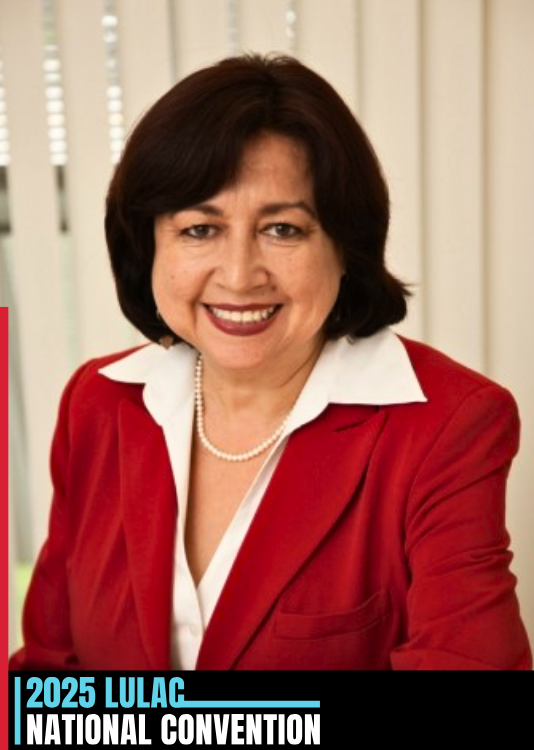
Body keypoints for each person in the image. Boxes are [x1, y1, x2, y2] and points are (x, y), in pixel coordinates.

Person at [10, 53, 531, 671]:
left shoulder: (448, 426)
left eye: (282, 229)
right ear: (148, 246)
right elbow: (48, 672)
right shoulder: (98, 402)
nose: (238, 275)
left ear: (346, 246)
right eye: (199, 229)